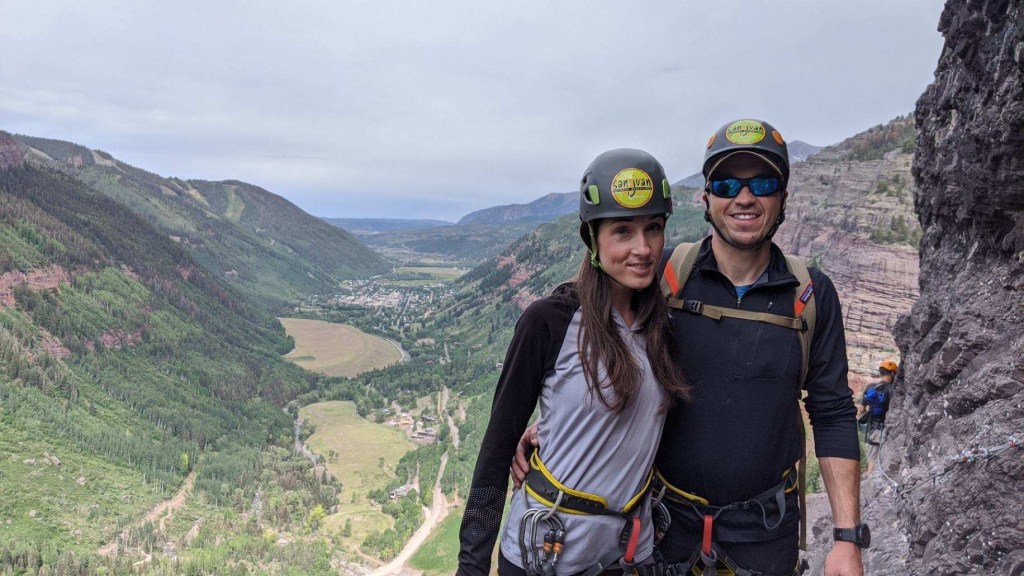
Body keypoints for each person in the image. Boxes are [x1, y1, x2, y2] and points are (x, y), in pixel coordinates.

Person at [514, 119, 865, 576]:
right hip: (662, 531)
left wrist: (847, 538)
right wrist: (553, 422)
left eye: (762, 182)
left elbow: (833, 410)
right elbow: (587, 323)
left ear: (782, 197)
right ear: (706, 198)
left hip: (763, 535)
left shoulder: (812, 294)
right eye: (725, 183)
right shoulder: (664, 274)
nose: (743, 197)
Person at [458, 148, 689, 575]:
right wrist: (471, 567)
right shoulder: (550, 322)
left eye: (653, 228)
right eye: (622, 231)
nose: (642, 248)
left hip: (628, 557)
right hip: (543, 558)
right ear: (593, 240)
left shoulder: (664, 327)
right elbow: (494, 457)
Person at [858, 359, 896, 478]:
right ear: (893, 373)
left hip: (873, 428)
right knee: (884, 458)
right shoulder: (892, 389)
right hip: (888, 429)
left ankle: (870, 477)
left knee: (872, 458)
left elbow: (861, 409)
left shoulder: (870, 387)